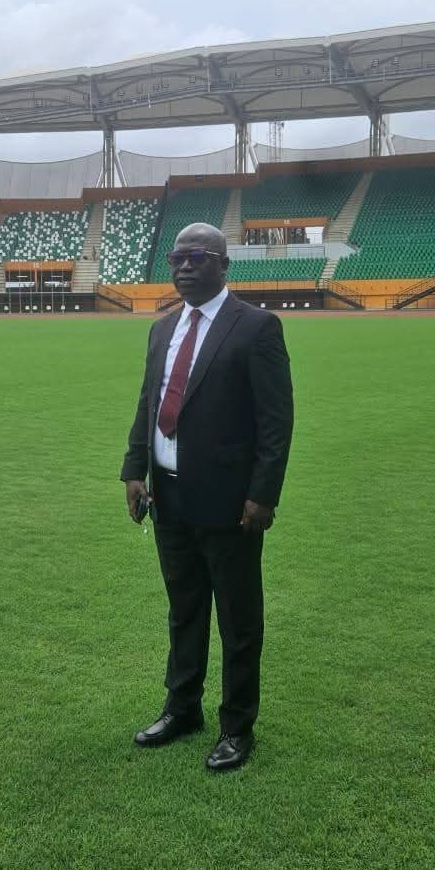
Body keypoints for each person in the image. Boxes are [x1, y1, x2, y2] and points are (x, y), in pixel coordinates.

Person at [120, 222, 294, 772]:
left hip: (230, 504)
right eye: (177, 257)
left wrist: (262, 495)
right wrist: (134, 469)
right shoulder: (162, 328)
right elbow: (149, 402)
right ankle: (182, 709)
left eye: (198, 257)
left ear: (224, 264)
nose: (184, 265)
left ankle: (238, 727)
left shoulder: (256, 327)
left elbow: (275, 420)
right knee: (184, 611)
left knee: (239, 620)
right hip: (169, 499)